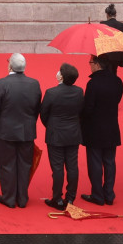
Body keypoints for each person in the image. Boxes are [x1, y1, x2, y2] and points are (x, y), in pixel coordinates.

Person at [0, 53, 42, 209]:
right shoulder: (34, 84)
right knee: (24, 165)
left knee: (6, 165)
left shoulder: (0, 84)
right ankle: (22, 198)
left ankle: (9, 197)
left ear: (10, 65)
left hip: (5, 132)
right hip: (27, 131)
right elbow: (36, 108)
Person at [80, 55, 123, 207]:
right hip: (112, 127)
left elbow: (88, 109)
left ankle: (97, 194)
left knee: (95, 162)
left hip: (94, 128)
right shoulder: (117, 82)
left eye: (91, 63)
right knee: (110, 162)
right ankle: (109, 194)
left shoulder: (93, 83)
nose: (89, 65)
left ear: (98, 64)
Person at [40, 62, 83, 211]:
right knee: (72, 167)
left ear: (62, 76)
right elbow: (80, 112)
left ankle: (57, 198)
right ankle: (70, 198)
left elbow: (43, 114)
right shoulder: (79, 92)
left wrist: (51, 126)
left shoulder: (51, 92)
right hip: (73, 134)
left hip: (55, 135)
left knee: (57, 168)